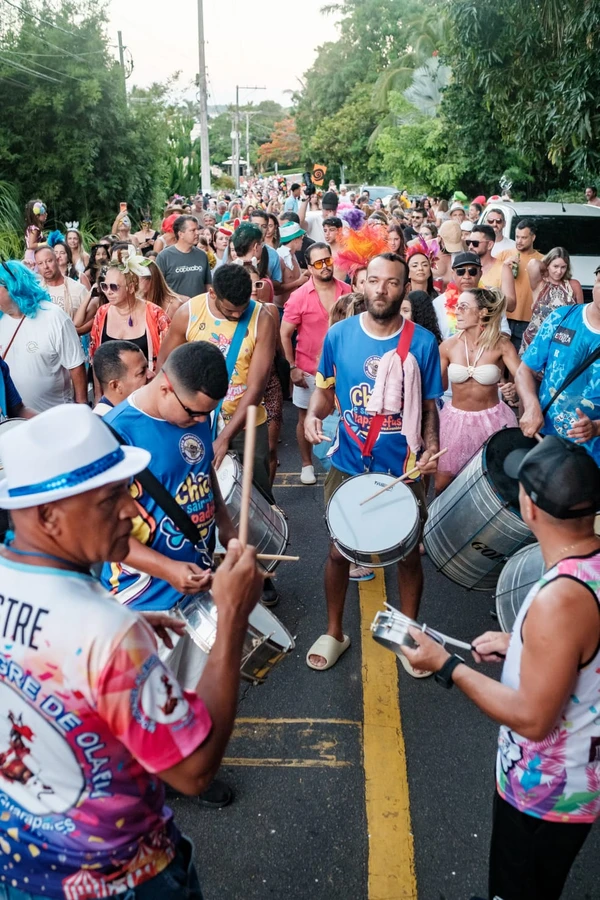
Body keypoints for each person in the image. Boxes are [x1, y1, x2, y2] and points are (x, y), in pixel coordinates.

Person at [0, 403, 263, 896]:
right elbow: (194, 770)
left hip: (20, 870)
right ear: (48, 516)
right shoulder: (106, 633)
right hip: (121, 879)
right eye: (109, 499)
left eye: (128, 490)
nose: (132, 510)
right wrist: (231, 617)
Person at [400, 436, 600, 900]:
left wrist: (446, 664)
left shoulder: (559, 600)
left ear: (528, 507)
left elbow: (532, 718)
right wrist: (521, 644)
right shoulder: (588, 565)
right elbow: (583, 649)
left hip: (544, 792)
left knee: (519, 886)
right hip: (573, 781)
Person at [304, 253, 443, 674]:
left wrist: (431, 445)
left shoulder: (423, 342)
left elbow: (430, 406)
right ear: (362, 284)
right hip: (349, 462)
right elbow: (324, 390)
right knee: (337, 552)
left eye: (392, 282)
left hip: (403, 467)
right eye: (374, 280)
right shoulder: (339, 335)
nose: (381, 289)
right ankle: (334, 632)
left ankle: (406, 636)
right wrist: (312, 415)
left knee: (408, 556)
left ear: (405, 289)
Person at [155, 264, 277, 503]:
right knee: (197, 496)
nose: (237, 316)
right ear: (212, 293)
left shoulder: (262, 318)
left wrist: (224, 438)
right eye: (230, 310)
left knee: (257, 500)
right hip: (195, 422)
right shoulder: (188, 313)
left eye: (242, 309)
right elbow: (165, 368)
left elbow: (256, 387)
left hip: (245, 424)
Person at [435, 287, 520, 492]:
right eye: (457, 306)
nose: (457, 311)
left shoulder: (502, 345)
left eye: (463, 307)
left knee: (493, 484)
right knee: (442, 484)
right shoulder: (448, 346)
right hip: (455, 422)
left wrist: (514, 389)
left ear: (482, 312)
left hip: (493, 421)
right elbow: (440, 386)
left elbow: (522, 378)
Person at [282, 242, 352, 485]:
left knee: (344, 416)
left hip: (343, 370)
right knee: (305, 417)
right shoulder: (299, 296)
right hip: (308, 370)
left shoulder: (347, 291)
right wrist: (292, 367)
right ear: (309, 267)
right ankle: (306, 463)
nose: (325, 267)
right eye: (319, 263)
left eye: (328, 261)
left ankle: (341, 462)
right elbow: (284, 334)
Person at [516, 265, 600, 463]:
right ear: (596, 280)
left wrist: (596, 427)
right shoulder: (561, 318)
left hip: (592, 459)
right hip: (545, 443)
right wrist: (531, 405)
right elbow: (525, 370)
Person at [0, 260, 86, 411]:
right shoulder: (2, 320)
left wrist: (82, 407)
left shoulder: (54, 316)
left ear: (13, 286)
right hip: (13, 420)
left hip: (54, 415)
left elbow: (76, 365)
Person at [89, 248, 170, 374]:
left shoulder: (156, 315)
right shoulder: (102, 313)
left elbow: (168, 359)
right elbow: (95, 358)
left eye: (114, 287)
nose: (108, 292)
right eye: (104, 286)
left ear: (131, 287)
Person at [245, 263, 284, 485]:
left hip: (269, 386)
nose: (253, 288)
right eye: (248, 284)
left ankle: (269, 498)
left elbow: (278, 347)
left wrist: (288, 369)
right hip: (239, 388)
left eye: (257, 284)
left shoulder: (270, 310)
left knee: (270, 447)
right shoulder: (228, 315)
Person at [520, 247, 583, 353]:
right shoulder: (540, 283)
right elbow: (533, 264)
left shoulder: (573, 285)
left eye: (563, 267)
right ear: (547, 265)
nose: (559, 271)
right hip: (535, 342)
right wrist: (545, 269)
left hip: (561, 344)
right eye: (555, 266)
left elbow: (580, 317)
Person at [496, 218, 545, 352]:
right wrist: (504, 266)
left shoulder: (542, 260)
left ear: (533, 238)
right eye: (517, 237)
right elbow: (491, 278)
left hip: (528, 320)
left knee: (521, 359)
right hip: (503, 318)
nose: (519, 241)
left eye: (523, 237)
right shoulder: (504, 255)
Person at [35, 246, 91, 332]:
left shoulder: (78, 289)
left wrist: (76, 332)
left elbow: (94, 317)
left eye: (49, 261)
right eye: (40, 263)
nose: (45, 266)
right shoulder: (35, 291)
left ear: (57, 261)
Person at [155, 215, 211, 299]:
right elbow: (157, 288)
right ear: (181, 234)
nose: (197, 233)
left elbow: (208, 284)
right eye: (192, 230)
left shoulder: (202, 255)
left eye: (197, 229)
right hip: (175, 306)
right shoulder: (164, 257)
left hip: (198, 306)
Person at [92, 339, 148, 415]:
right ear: (116, 385)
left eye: (147, 367)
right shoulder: (102, 421)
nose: (151, 374)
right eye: (141, 372)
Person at [276, 221, 310, 310]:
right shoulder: (280, 258)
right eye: (301, 238)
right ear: (295, 240)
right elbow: (276, 290)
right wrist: (298, 282)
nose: (302, 241)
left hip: (295, 307)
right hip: (282, 309)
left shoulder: (292, 255)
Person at [23, 198, 47, 268]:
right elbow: (31, 245)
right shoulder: (34, 229)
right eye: (43, 212)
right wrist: (45, 244)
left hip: (32, 253)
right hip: (32, 255)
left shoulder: (32, 228)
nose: (46, 214)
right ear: (36, 216)